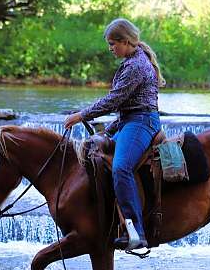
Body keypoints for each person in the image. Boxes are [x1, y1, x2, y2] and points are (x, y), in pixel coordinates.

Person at [64, 18, 165, 251]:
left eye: (113, 43)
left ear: (126, 41)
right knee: (98, 156)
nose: (110, 48)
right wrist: (108, 130)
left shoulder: (136, 66)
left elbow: (113, 100)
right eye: (109, 44)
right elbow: (123, 107)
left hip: (142, 123)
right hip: (129, 121)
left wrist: (81, 115)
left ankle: (135, 232)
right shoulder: (131, 60)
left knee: (121, 167)